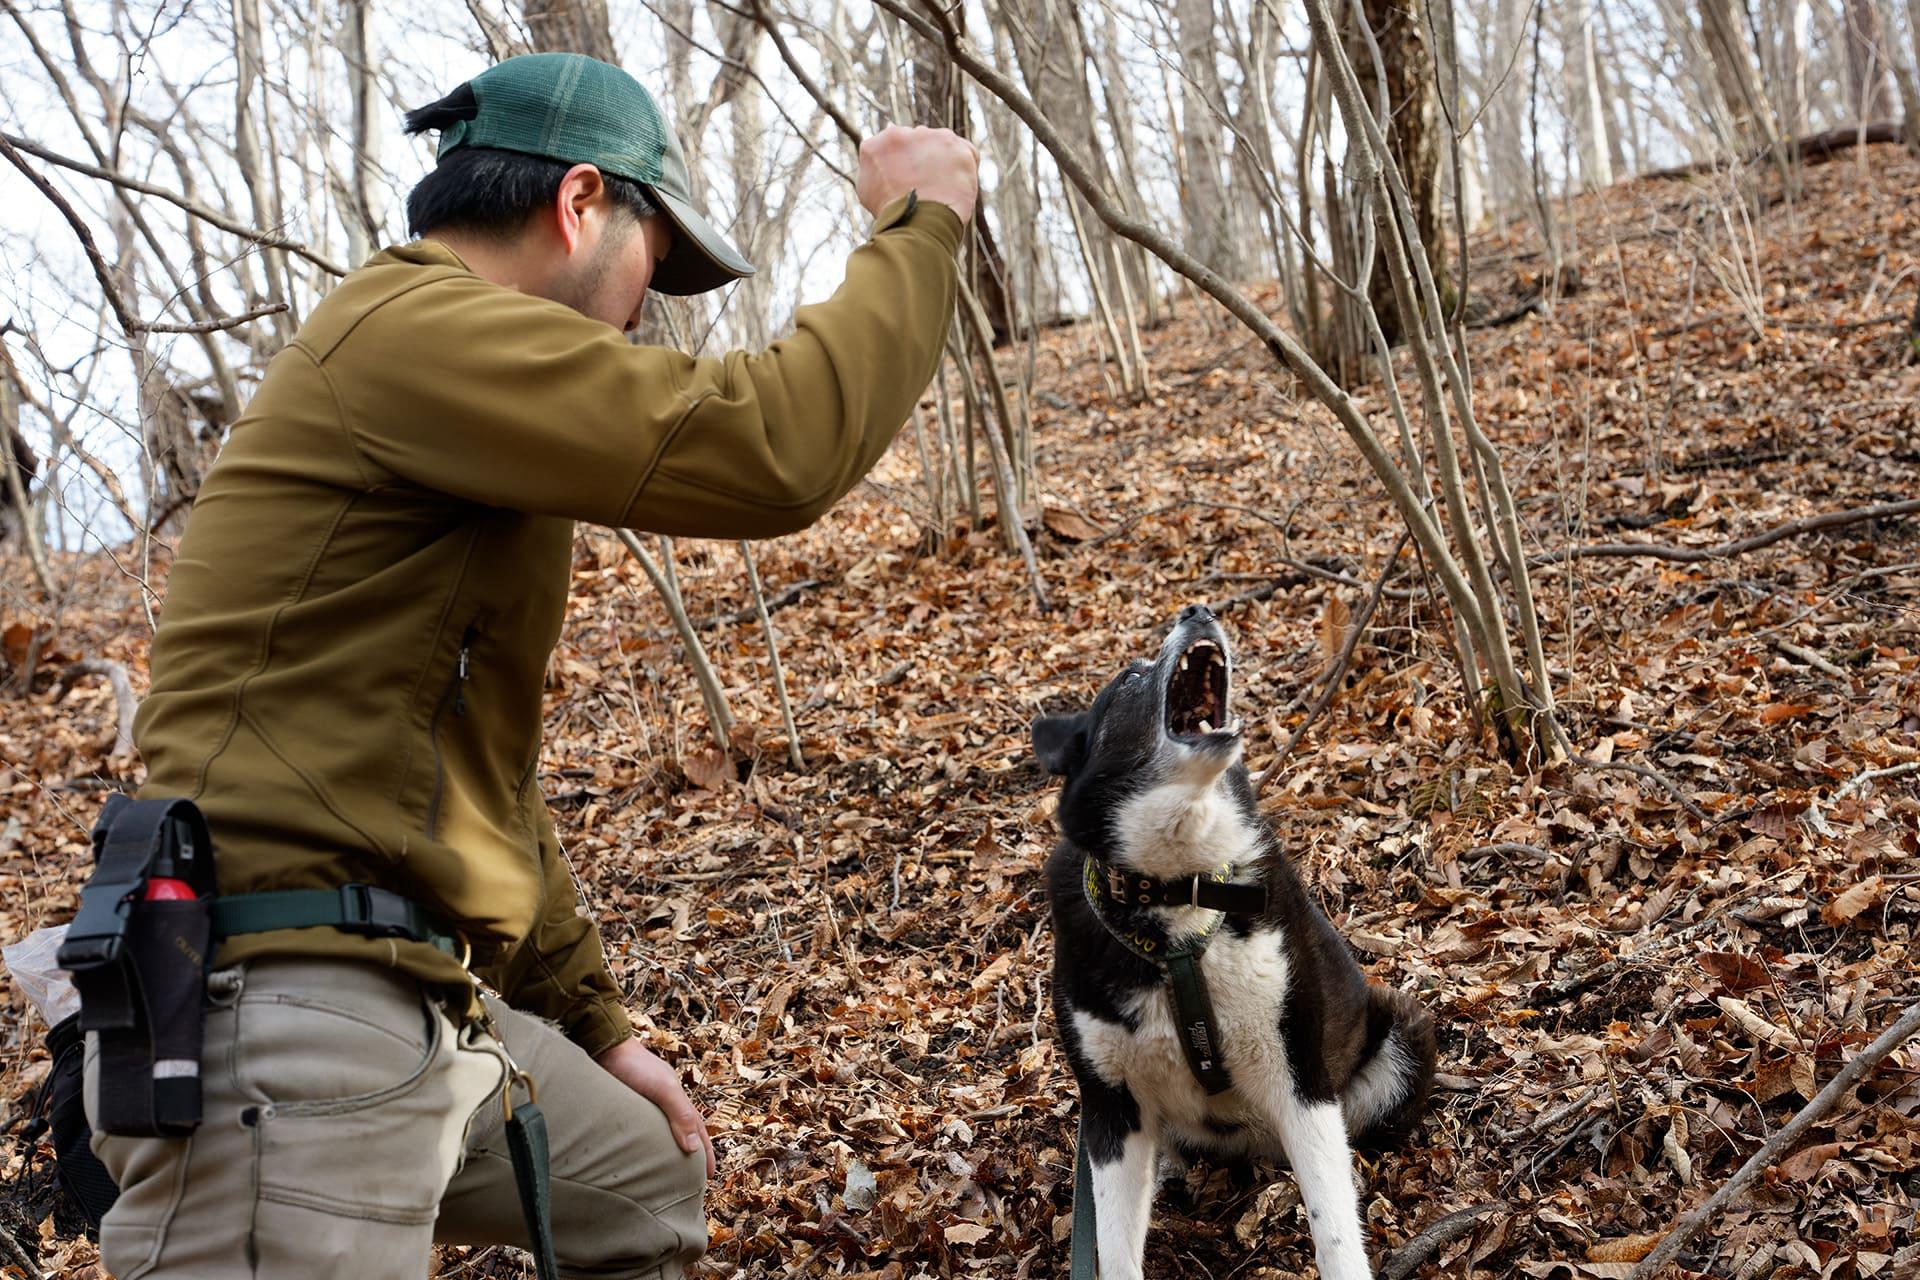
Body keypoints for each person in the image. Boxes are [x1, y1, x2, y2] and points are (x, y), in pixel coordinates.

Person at [84, 50, 977, 1279]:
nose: (640, 314)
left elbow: (476, 776)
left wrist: (596, 1025)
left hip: (411, 990)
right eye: (650, 270)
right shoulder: (415, 334)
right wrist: (919, 224)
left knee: (645, 1176)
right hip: (282, 1003)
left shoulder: (462, 404)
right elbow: (777, 447)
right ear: (578, 206)